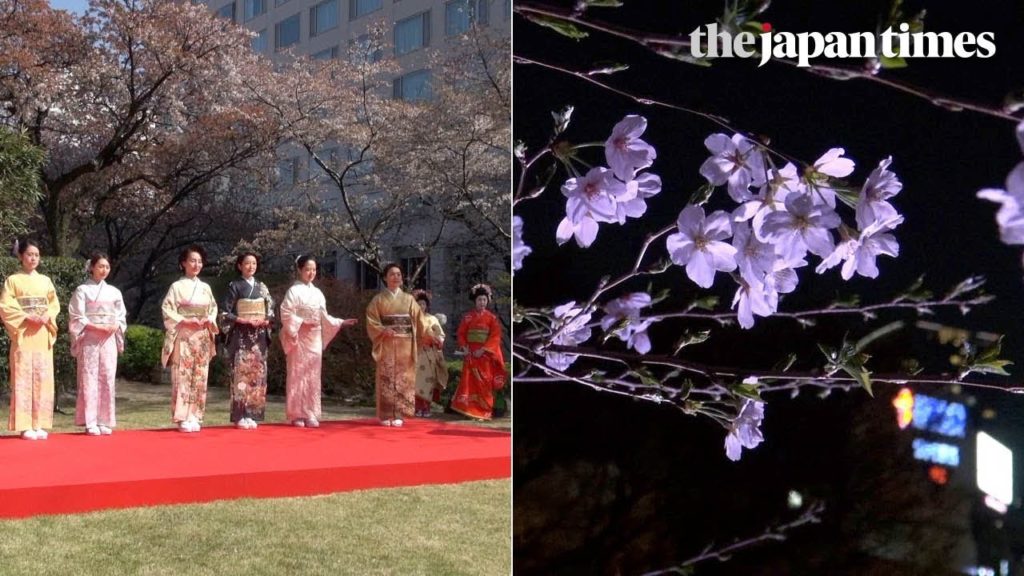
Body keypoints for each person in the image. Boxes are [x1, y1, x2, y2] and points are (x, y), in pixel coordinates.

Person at [279, 255, 357, 428]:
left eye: (313, 270)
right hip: (299, 336)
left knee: (313, 375)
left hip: (314, 337)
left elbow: (325, 317)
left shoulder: (318, 293)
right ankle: (296, 414)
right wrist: (301, 322)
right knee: (297, 374)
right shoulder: (293, 291)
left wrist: (341, 322)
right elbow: (285, 313)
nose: (311, 273)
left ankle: (311, 412)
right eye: (307, 269)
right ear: (299, 270)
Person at [0, 239, 60, 440]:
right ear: (20, 256)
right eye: (29, 254)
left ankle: (40, 422)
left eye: (36, 255)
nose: (33, 258)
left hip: (42, 331)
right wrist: (26, 316)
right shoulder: (13, 280)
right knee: (23, 377)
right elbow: (6, 306)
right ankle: (25, 425)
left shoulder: (45, 281)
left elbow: (53, 304)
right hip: (24, 332)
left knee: (43, 377)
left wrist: (47, 316)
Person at [365, 263, 439, 427]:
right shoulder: (378, 300)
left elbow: (421, 322)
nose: (396, 277)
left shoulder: (409, 299)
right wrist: (383, 329)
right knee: (386, 377)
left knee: (403, 378)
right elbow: (371, 321)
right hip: (387, 342)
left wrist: (432, 335)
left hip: (405, 343)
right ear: (385, 278)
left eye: (398, 274)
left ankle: (400, 413)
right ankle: (385, 413)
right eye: (392, 274)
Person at [160, 245, 218, 433]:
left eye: (199, 261)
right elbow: (167, 309)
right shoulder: (176, 287)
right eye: (192, 260)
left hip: (201, 335)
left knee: (200, 375)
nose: (196, 264)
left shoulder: (205, 287)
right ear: (183, 263)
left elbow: (213, 309)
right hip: (184, 334)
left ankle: (195, 415)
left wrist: (209, 319)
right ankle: (182, 416)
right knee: (183, 375)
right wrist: (184, 319)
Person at [69, 253, 127, 436]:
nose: (104, 270)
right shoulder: (82, 290)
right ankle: (90, 421)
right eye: (100, 266)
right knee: (89, 376)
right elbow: (77, 316)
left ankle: (105, 420)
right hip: (90, 337)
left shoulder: (114, 292)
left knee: (107, 376)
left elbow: (120, 315)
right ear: (91, 267)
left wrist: (114, 325)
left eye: (107, 267)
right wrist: (95, 326)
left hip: (108, 337)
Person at [219, 252, 274, 430]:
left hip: (258, 335)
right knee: (241, 373)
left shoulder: (262, 287)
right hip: (242, 335)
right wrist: (241, 319)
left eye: (254, 263)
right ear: (239, 266)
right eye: (247, 263)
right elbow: (224, 312)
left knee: (258, 374)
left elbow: (270, 310)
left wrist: (267, 320)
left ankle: (253, 413)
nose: (251, 266)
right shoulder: (234, 286)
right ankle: (240, 414)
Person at [451, 283, 506, 421]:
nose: (482, 302)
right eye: (479, 300)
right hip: (470, 353)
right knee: (469, 382)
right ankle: (469, 410)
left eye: (484, 300)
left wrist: (483, 349)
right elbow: (461, 334)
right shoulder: (467, 317)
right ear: (475, 301)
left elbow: (495, 336)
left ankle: (484, 411)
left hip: (485, 354)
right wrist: (464, 347)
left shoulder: (492, 319)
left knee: (484, 382)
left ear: (487, 301)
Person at [412, 290, 448, 418]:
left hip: (428, 354)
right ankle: (417, 407)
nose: (421, 306)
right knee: (415, 382)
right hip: (415, 352)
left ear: (427, 305)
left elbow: (440, 335)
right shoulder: (411, 319)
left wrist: (436, 339)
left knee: (428, 382)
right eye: (419, 304)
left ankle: (426, 408)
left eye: (423, 304)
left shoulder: (432, 319)